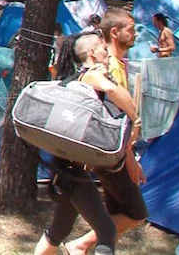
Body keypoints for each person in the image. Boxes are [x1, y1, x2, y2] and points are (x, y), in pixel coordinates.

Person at [35, 32, 145, 255]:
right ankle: (77, 248)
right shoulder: (91, 76)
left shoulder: (79, 77)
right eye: (104, 49)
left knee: (58, 230)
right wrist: (136, 119)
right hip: (73, 171)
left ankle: (75, 248)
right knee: (105, 230)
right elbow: (113, 91)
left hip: (68, 167)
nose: (107, 52)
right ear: (93, 53)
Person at [98, 8, 136, 90]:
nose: (135, 34)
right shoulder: (112, 67)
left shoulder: (116, 63)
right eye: (131, 29)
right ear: (114, 33)